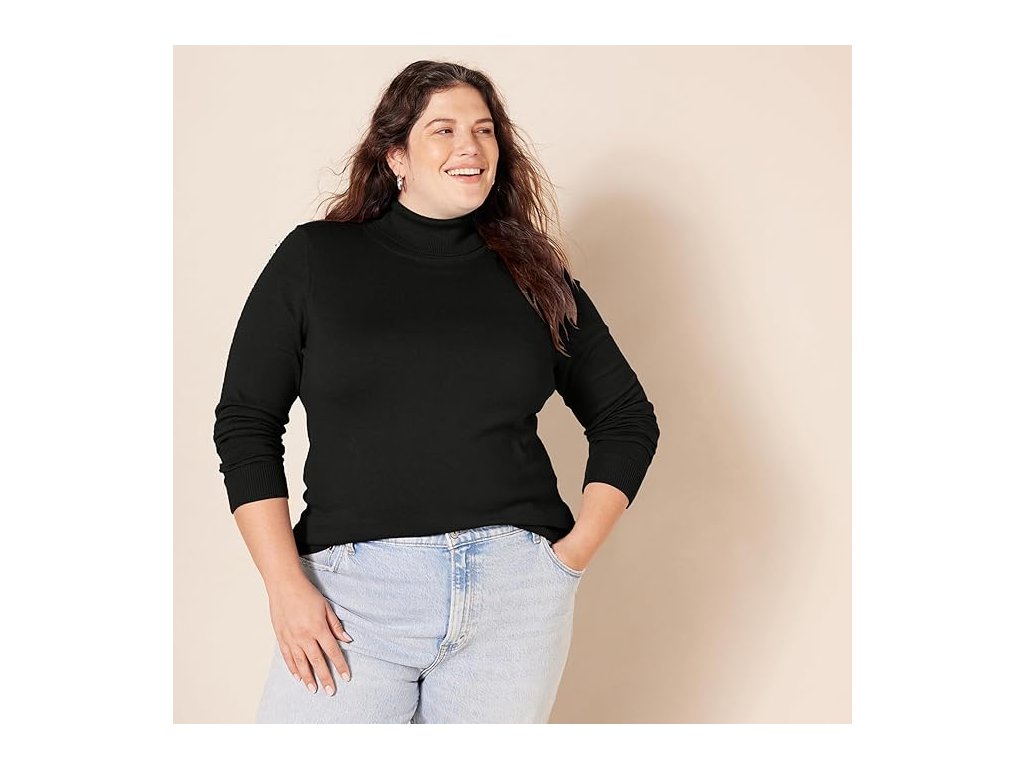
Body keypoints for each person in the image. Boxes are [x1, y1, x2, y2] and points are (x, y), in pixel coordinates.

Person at [212, 60, 660, 724]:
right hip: (353, 597)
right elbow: (245, 423)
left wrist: (568, 561)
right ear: (395, 154)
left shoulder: (535, 275)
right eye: (443, 129)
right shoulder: (315, 260)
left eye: (484, 130)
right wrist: (284, 585)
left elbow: (626, 418)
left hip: (513, 599)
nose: (469, 146)